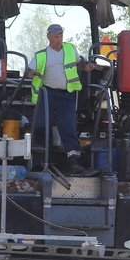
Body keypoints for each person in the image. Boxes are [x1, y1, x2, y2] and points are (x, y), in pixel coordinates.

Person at [27, 24, 95, 174]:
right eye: (56, 37)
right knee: (40, 125)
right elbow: (29, 70)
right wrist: (31, 73)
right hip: (47, 94)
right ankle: (40, 156)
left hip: (67, 94)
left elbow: (79, 63)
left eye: (61, 36)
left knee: (68, 127)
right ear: (49, 37)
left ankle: (73, 160)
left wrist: (86, 67)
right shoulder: (41, 55)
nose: (59, 39)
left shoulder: (70, 49)